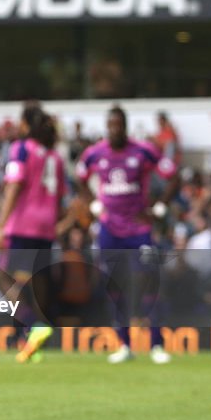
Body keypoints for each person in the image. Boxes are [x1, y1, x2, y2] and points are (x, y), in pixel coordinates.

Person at [77, 106, 177, 365]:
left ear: (125, 126)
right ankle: (124, 345)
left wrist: (160, 208)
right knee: (114, 285)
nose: (115, 129)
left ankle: (156, 345)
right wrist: (91, 204)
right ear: (106, 127)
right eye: (111, 125)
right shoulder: (95, 153)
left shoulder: (143, 151)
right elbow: (79, 177)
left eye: (119, 125)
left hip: (139, 229)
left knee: (148, 282)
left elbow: (172, 175)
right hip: (110, 230)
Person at [0, 103, 66, 363]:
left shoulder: (21, 149)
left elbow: (14, 186)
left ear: (25, 125)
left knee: (1, 277)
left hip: (23, 225)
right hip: (45, 227)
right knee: (32, 284)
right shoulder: (54, 156)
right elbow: (60, 196)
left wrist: (0, 225)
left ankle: (34, 325)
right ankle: (28, 343)